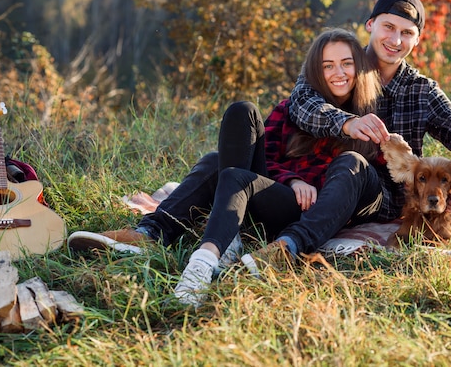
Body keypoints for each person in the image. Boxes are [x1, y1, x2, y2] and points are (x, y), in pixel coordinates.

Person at [68, 28, 384, 308]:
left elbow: (372, 182)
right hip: (276, 196)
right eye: (327, 65)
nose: (337, 73)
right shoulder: (295, 108)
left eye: (346, 63)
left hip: (308, 213)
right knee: (239, 118)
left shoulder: (370, 119)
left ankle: (202, 248)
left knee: (216, 166)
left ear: (360, 67)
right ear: (316, 71)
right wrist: (291, 180)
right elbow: (268, 162)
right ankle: (153, 234)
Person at [288, 0, 451, 224]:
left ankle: (292, 242)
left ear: (418, 39)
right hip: (318, 185)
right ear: (370, 24)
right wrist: (348, 123)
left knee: (355, 166)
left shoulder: (421, 89)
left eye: (407, 33)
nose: (395, 40)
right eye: (388, 27)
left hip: (382, 201)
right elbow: (301, 102)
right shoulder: (342, 66)